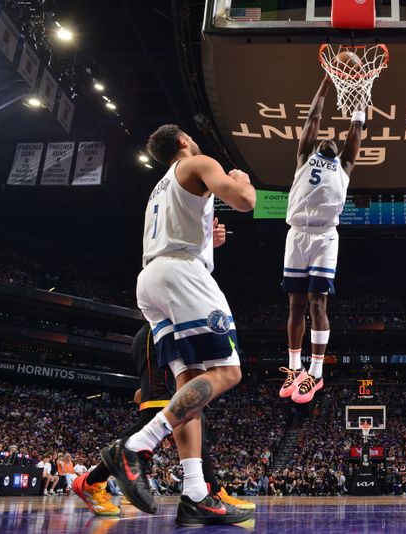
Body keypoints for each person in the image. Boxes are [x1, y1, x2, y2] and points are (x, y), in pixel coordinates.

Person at [99, 124, 255, 526]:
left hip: (151, 279)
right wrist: (241, 180)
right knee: (228, 371)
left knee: (190, 386)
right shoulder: (198, 162)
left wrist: (208, 240)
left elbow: (178, 231)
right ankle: (136, 445)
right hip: (182, 275)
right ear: (183, 140)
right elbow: (243, 201)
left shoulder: (161, 187)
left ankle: (195, 494)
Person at [74, 324, 255, 516]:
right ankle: (91, 483)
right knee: (157, 415)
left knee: (192, 412)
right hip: (163, 335)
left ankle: (211, 490)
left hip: (179, 335)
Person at [279, 73, 365, 404]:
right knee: (295, 304)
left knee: (317, 302)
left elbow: (355, 131)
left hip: (326, 238)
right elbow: (314, 116)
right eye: (321, 138)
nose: (327, 138)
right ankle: (294, 368)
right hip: (297, 235)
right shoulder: (304, 158)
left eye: (333, 138)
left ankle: (315, 372)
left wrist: (358, 93)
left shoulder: (344, 164)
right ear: (314, 147)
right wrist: (326, 83)